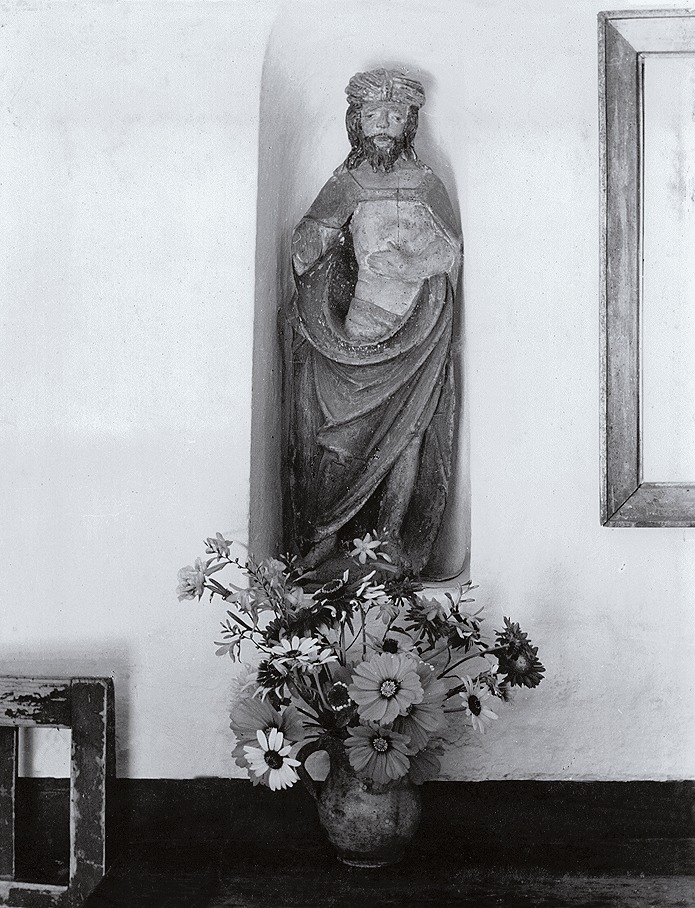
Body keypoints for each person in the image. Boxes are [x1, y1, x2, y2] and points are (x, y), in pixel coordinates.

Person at [282, 68, 462, 576]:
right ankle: (323, 535)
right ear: (356, 122)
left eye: (395, 115)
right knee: (341, 434)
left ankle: (390, 541)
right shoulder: (349, 182)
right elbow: (311, 238)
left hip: (419, 331)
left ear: (410, 123)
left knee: (408, 435)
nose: (383, 124)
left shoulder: (426, 184)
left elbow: (450, 251)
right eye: (372, 114)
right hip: (359, 328)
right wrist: (314, 243)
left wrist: (411, 264)